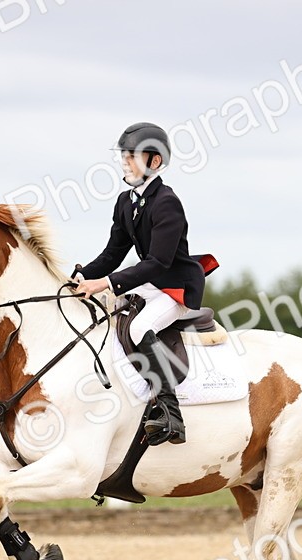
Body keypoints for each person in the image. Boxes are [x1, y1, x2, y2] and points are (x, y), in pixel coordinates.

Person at [72, 122, 206, 446]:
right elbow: (113, 253)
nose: (124, 161)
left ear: (155, 162)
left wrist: (105, 283)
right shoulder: (125, 201)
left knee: (137, 327)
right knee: (107, 319)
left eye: (131, 156)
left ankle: (171, 413)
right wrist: (82, 276)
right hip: (150, 283)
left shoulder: (166, 202)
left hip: (174, 287)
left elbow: (158, 262)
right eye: (124, 155)